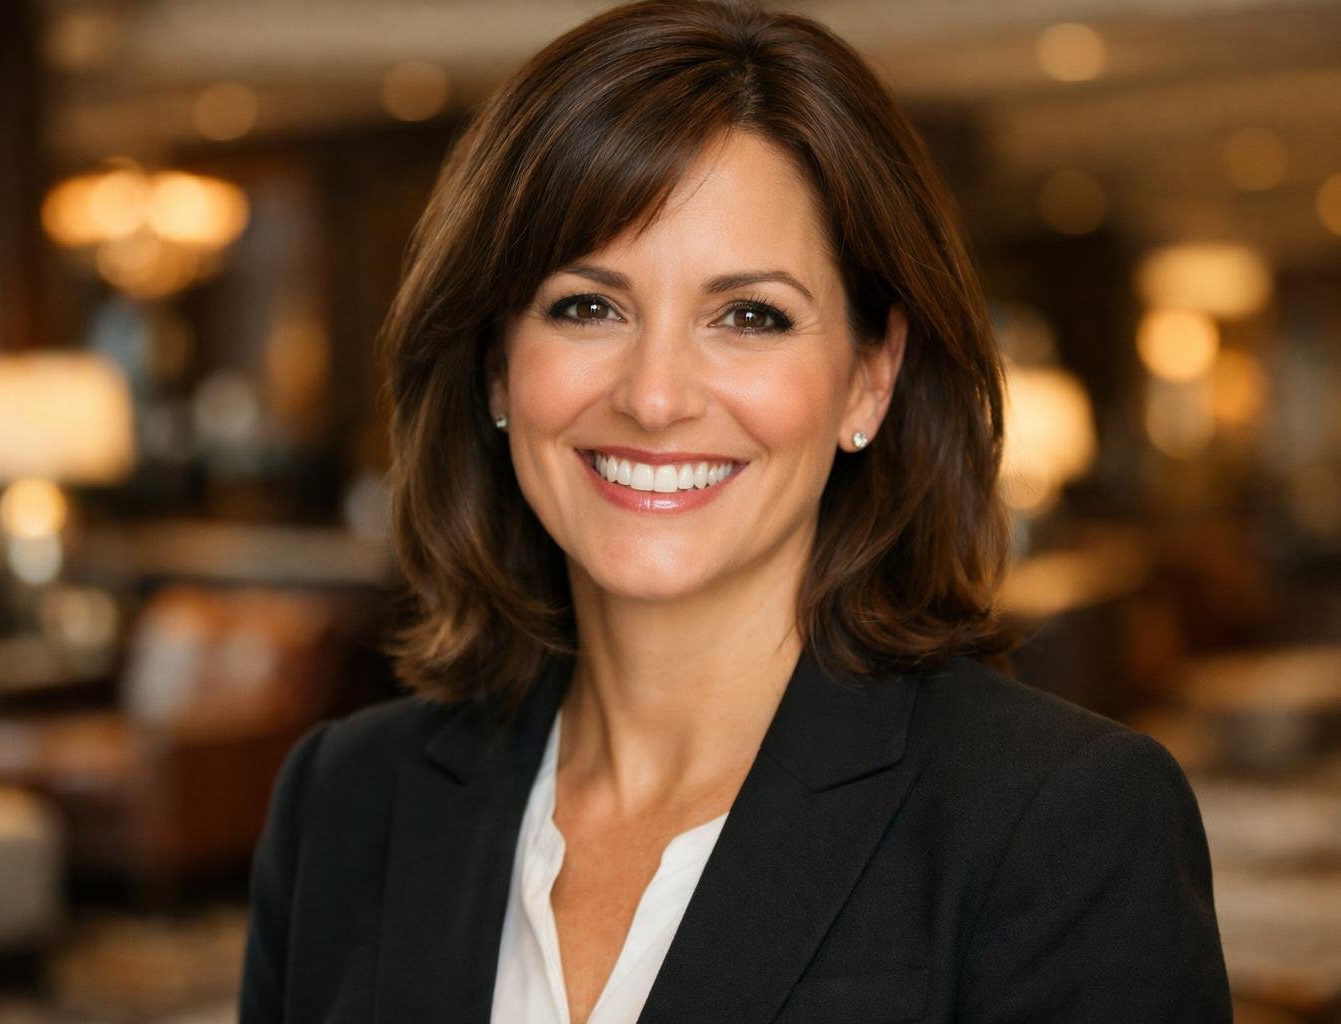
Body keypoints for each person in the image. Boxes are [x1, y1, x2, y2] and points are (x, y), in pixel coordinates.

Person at [238, 1, 1232, 1021]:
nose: (656, 395)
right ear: (497, 362)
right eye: (588, 306)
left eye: (750, 316)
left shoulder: (1064, 823)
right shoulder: (344, 800)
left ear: (868, 379)